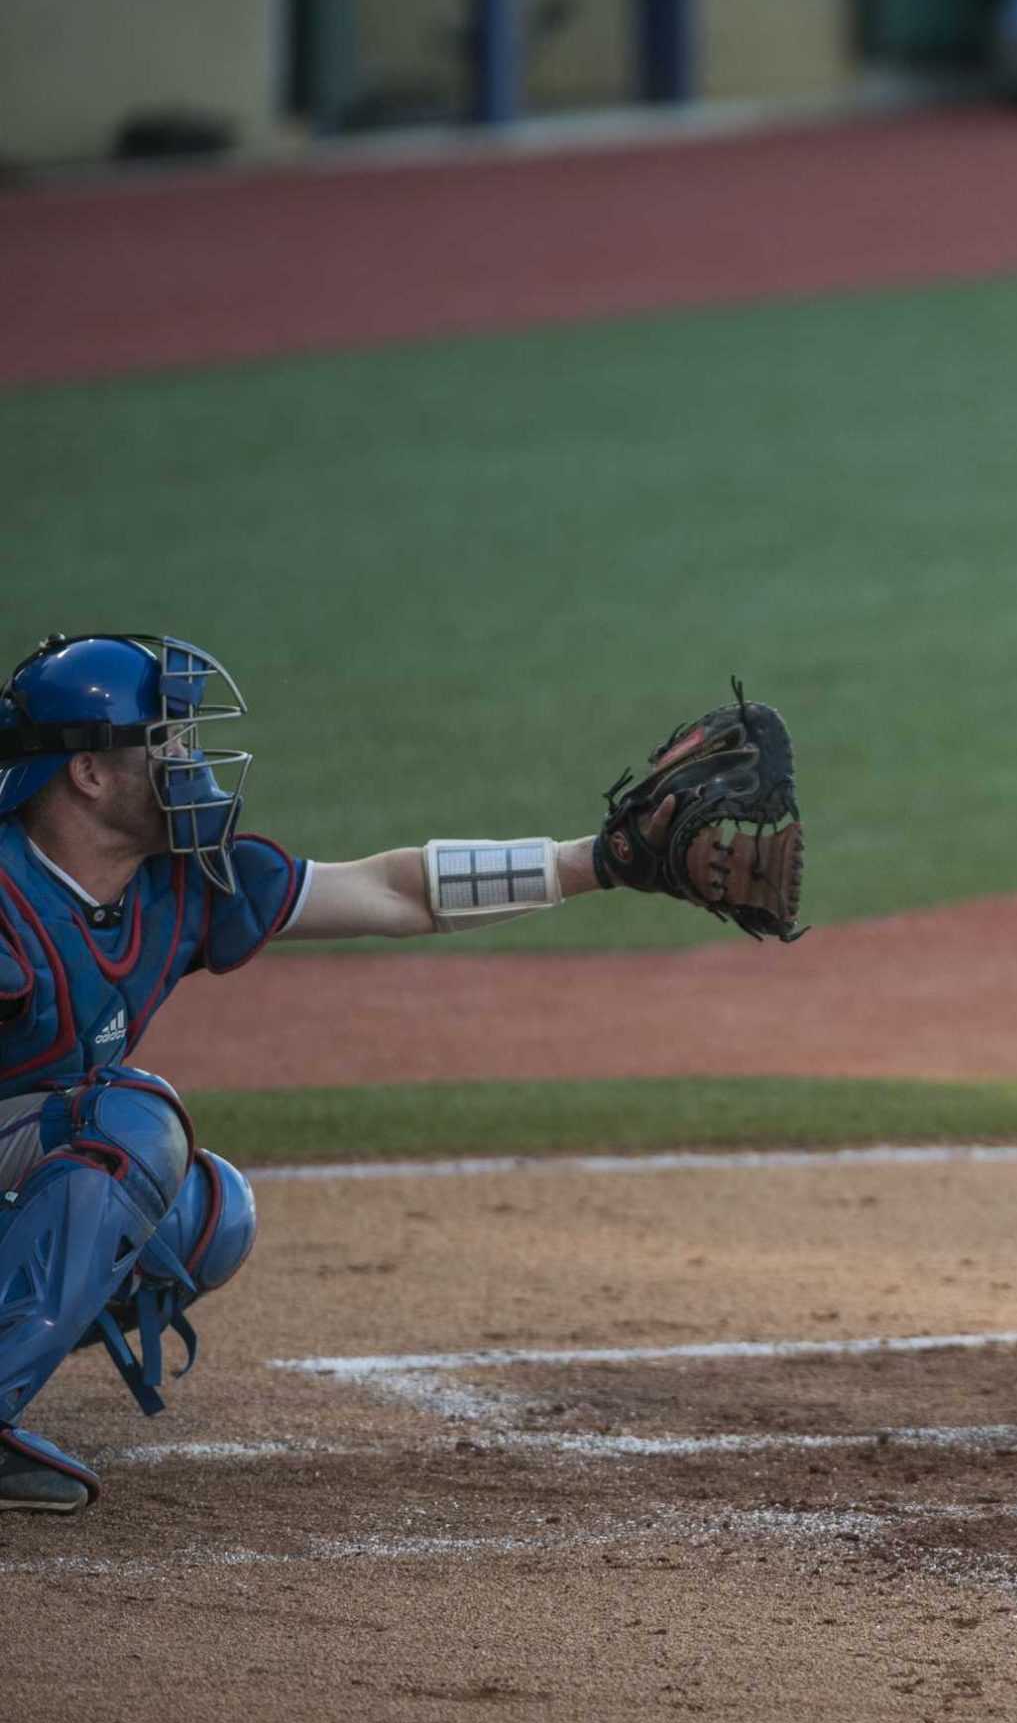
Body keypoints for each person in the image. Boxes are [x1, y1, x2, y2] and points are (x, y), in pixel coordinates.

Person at [0, 635, 799, 1514]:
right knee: (127, 1127)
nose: (189, 759)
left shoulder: (181, 884)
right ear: (87, 773)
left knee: (201, 1218)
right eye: (166, 742)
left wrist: (596, 862)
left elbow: (392, 893)